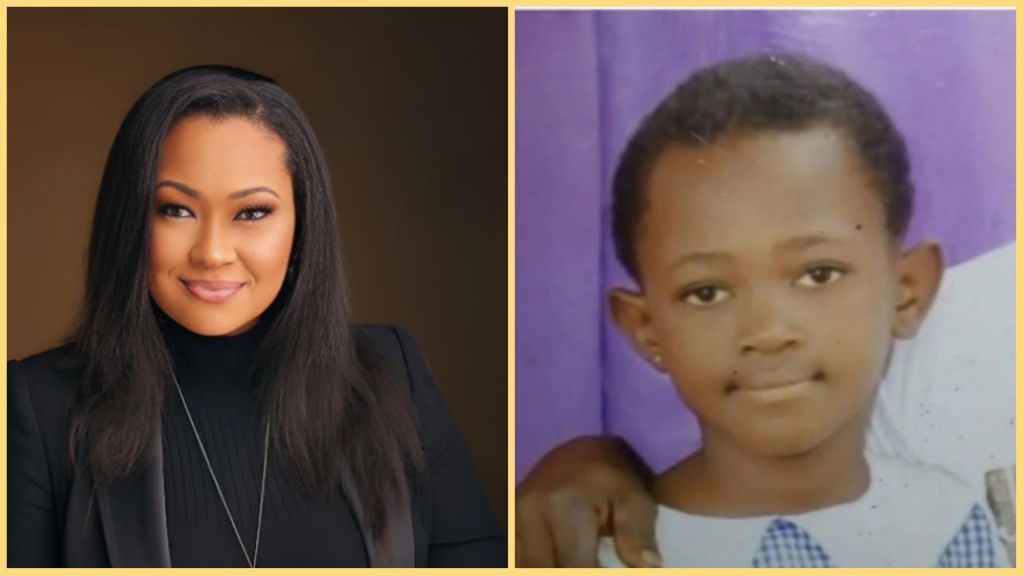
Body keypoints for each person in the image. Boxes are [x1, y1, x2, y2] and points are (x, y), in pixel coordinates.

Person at [517, 54, 1006, 568]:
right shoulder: (601, 554)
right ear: (645, 330)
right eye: (706, 292)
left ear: (908, 290)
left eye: (819, 274)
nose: (768, 332)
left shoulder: (951, 525)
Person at [8, 65, 505, 568]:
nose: (213, 253)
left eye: (252, 213)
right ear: (129, 219)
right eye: (176, 210)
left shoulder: (393, 373)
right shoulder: (36, 405)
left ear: (302, 226)